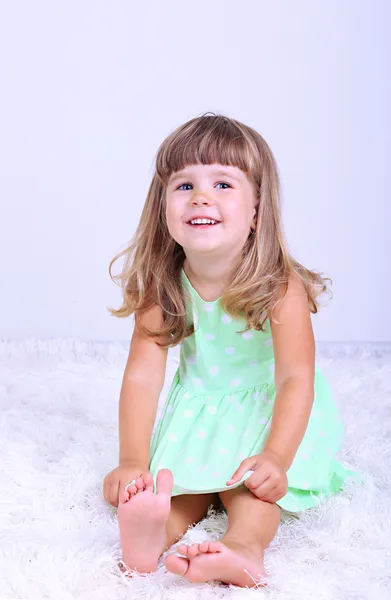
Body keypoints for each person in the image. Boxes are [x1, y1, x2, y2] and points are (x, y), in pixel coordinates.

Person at [103, 113, 362, 588]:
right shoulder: (162, 287)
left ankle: (244, 547)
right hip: (202, 412)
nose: (201, 196)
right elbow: (143, 377)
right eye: (184, 186)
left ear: (257, 209)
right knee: (179, 487)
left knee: (251, 490)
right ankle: (151, 536)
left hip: (272, 410)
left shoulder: (280, 287)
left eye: (223, 183)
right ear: (163, 207)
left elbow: (295, 378)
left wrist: (278, 457)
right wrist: (132, 459)